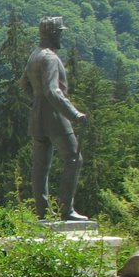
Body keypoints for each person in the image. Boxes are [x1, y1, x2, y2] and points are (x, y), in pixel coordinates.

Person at [20, 16, 88, 220]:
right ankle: (66, 210)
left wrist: (36, 101)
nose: (60, 37)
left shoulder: (35, 55)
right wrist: (74, 114)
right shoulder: (50, 58)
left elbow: (24, 85)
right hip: (54, 116)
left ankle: (42, 212)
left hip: (37, 117)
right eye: (59, 33)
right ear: (52, 34)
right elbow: (53, 90)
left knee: (41, 166)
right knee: (74, 158)